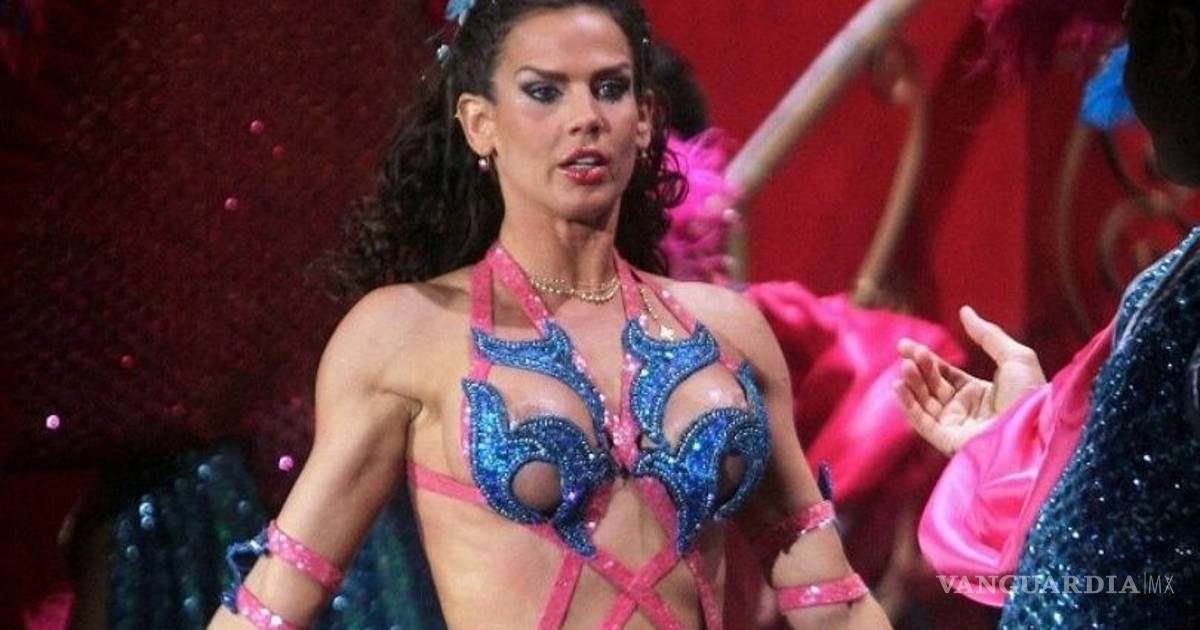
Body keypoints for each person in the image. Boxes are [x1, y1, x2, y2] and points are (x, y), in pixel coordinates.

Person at [209, 1, 891, 628]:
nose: (585, 117)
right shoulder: (403, 334)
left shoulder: (728, 332)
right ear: (479, 123)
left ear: (644, 118)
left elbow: (831, 602)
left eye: (610, 88)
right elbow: (273, 604)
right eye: (544, 91)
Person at [894, 0, 1200, 625]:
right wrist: (1023, 440)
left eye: (1130, 35)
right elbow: (1139, 518)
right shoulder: (1176, 278)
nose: (1124, 77)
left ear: (1178, 41)